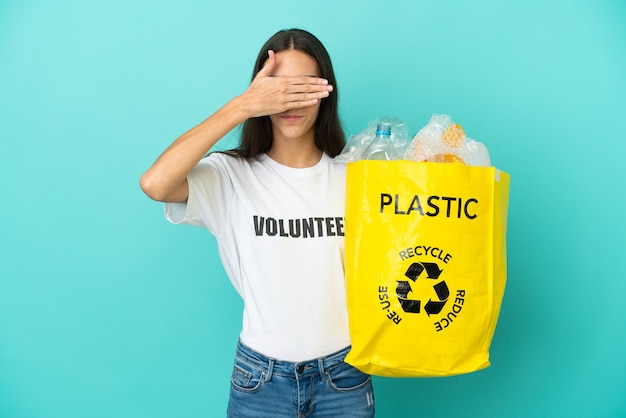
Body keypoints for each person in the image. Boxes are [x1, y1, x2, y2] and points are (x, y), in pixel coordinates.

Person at [140, 29, 375, 417]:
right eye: (277, 89)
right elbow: (155, 183)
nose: (289, 101)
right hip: (260, 382)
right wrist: (241, 106)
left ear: (325, 92)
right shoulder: (230, 175)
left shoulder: (356, 177)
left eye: (302, 88)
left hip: (344, 378)